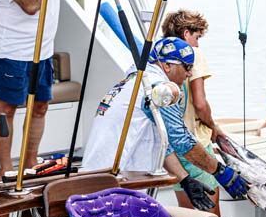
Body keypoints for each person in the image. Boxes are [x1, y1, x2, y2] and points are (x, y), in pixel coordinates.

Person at [0, 0, 144, 180]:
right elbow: (30, 5)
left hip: (42, 52)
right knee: (6, 110)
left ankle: (31, 162)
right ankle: (5, 169)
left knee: (41, 106)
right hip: (11, 53)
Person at [81, 37, 249, 208]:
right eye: (187, 67)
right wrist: (221, 171)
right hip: (110, 188)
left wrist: (185, 179)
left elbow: (164, 143)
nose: (189, 74)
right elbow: (181, 140)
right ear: (167, 66)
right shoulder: (158, 90)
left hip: (92, 182)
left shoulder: (135, 81)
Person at [160, 9, 224, 214]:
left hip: (173, 151)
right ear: (186, 33)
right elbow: (200, 103)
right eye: (196, 37)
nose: (197, 44)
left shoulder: (161, 57)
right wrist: (213, 126)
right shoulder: (192, 54)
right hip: (195, 143)